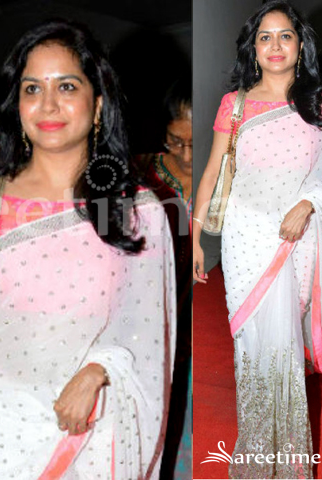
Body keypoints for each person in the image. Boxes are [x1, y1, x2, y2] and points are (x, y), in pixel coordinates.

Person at [0, 19, 175, 479]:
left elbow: (146, 328)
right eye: (32, 89)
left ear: (97, 104)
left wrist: (99, 370)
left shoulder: (135, 209)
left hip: (95, 422)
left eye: (66, 86)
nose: (47, 104)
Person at [192, 2, 322, 478]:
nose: (275, 46)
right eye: (265, 37)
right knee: (253, 344)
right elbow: (212, 171)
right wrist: (195, 237)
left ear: (301, 44)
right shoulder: (234, 104)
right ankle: (257, 454)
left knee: (284, 348)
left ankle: (289, 462)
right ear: (252, 48)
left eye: (285, 36)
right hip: (244, 236)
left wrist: (309, 203)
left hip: (295, 237)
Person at [138, 76, 192, 479]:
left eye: (195, 143)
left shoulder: (228, 173)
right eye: (176, 142)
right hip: (148, 327)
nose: (187, 155)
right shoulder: (139, 174)